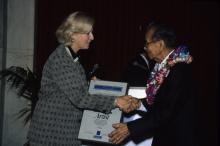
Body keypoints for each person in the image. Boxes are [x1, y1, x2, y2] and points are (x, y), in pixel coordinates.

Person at [27, 11, 139, 146]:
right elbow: (80, 98)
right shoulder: (62, 59)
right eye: (88, 33)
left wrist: (89, 85)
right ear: (73, 34)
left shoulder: (70, 57)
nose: (92, 37)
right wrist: (117, 102)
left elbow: (69, 89)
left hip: (63, 131)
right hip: (52, 134)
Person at [109, 21, 197, 146]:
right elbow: (160, 102)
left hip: (177, 139)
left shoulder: (179, 70)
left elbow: (167, 112)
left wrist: (130, 128)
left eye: (147, 43)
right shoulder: (161, 68)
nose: (145, 47)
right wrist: (139, 104)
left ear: (160, 44)